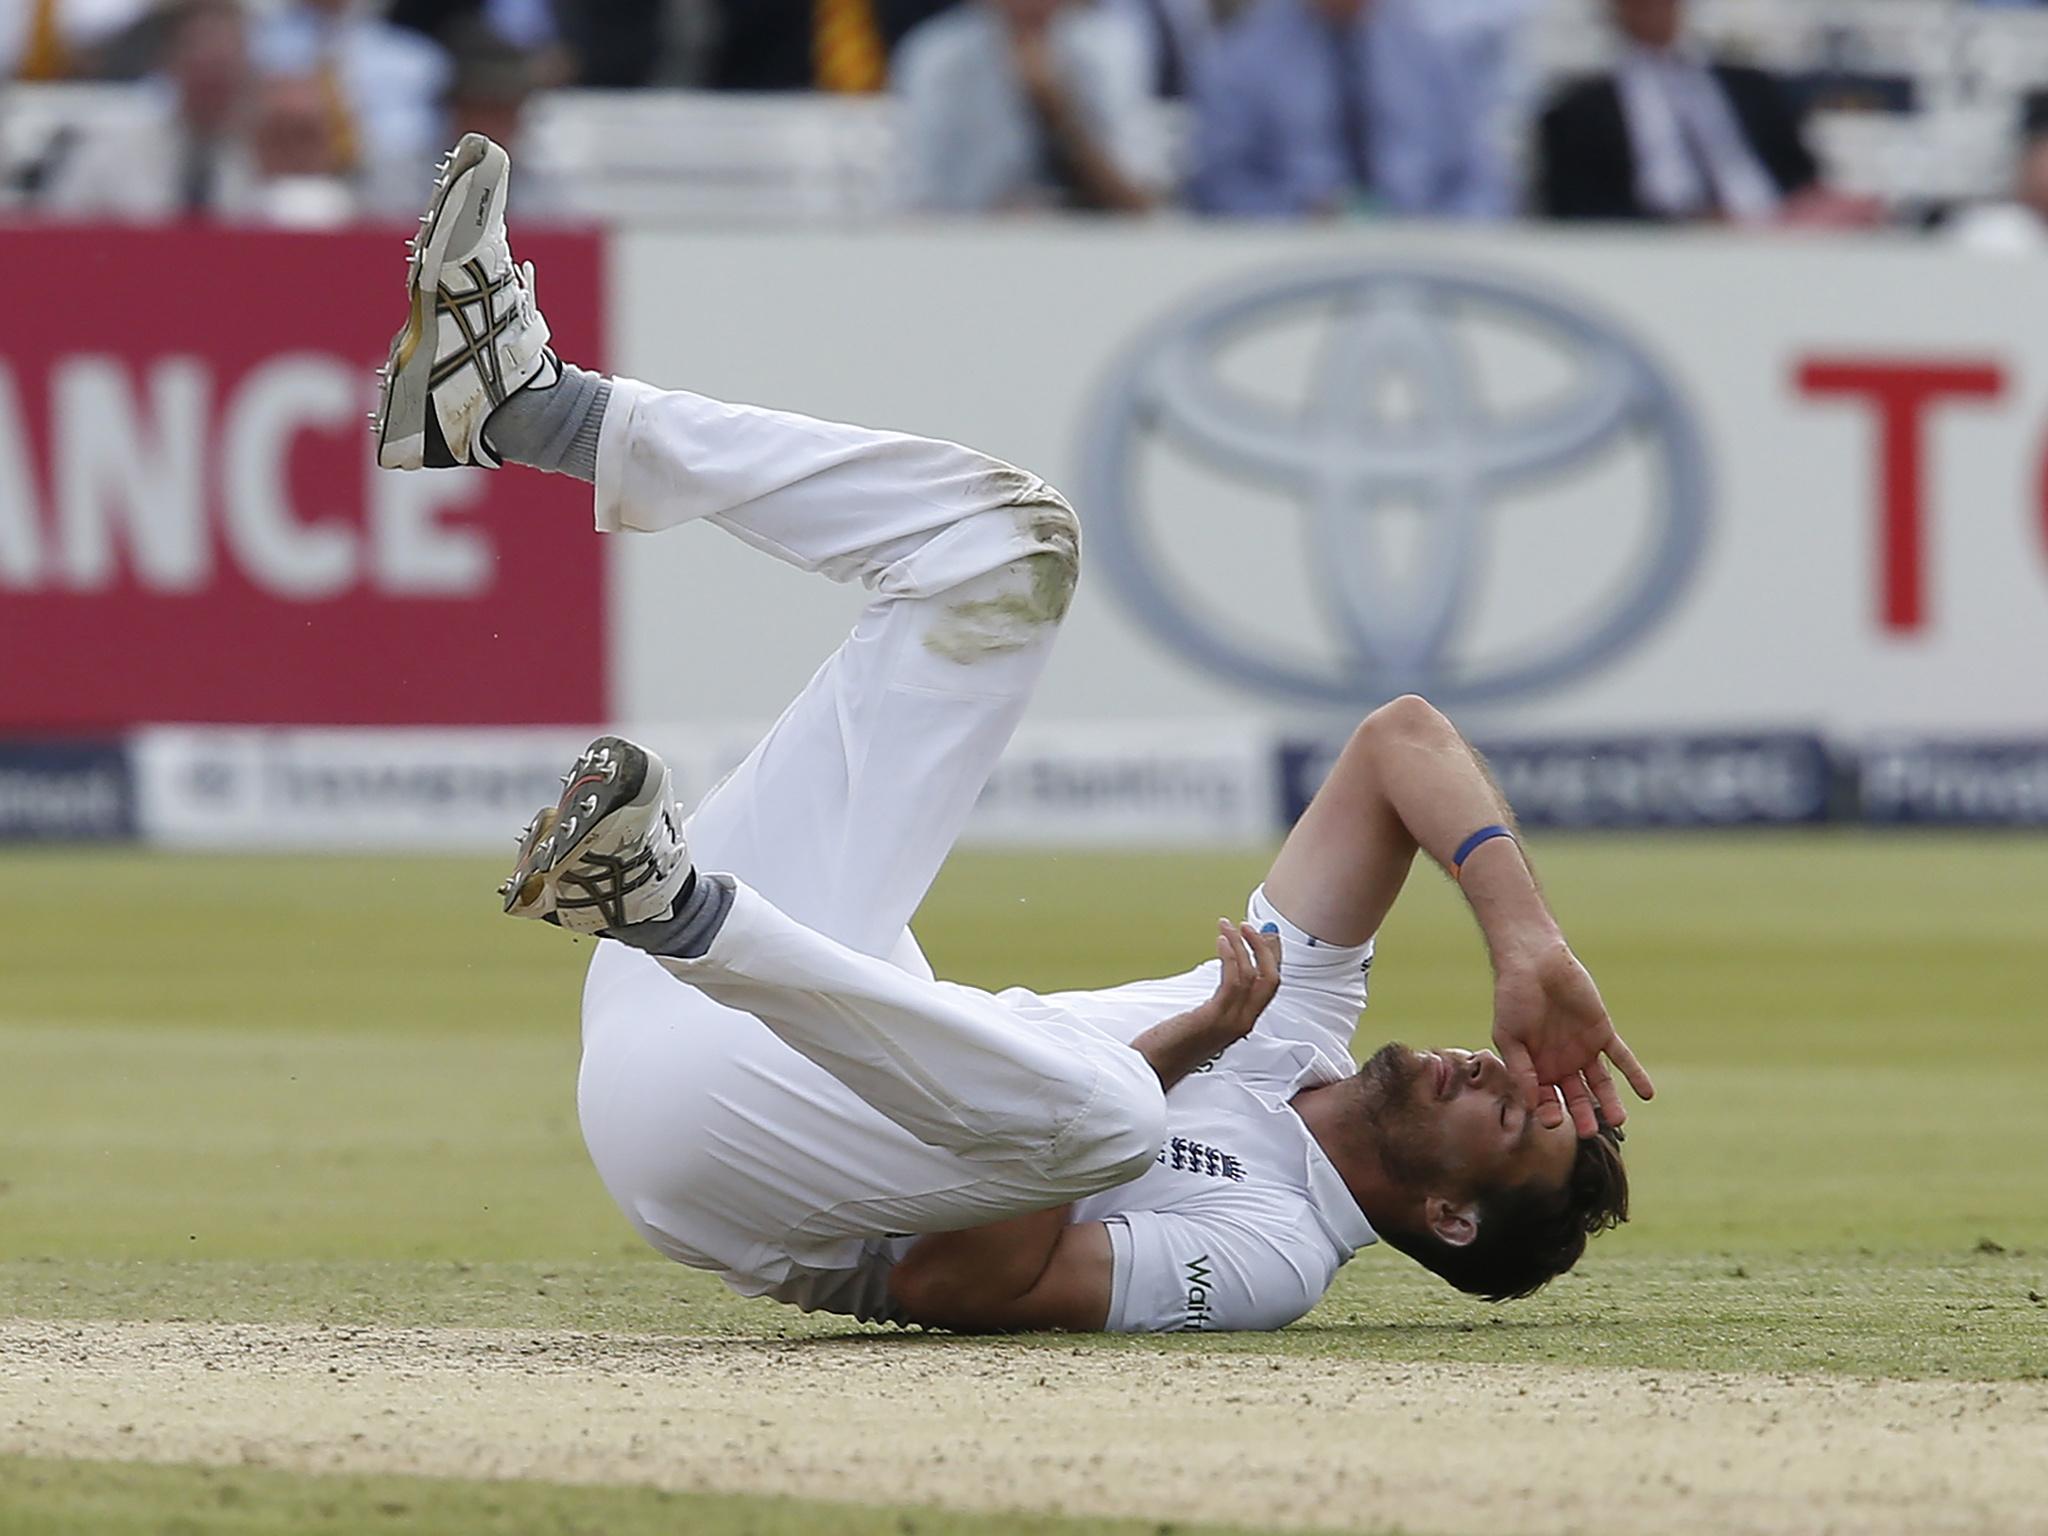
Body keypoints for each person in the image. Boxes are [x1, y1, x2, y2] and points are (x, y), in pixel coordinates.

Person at [371, 135, 1651, 1332]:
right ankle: (533, 409)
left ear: (1447, 1217)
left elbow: (964, 1284)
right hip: (708, 985)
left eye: (1518, 1121)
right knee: (1005, 549)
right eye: (1526, 1078)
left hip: (727, 1147)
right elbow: (1398, 742)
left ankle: (681, 908)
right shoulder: (1303, 1016)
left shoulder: (1272, 1251)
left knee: (1106, 1119)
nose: (1497, 1074)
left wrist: (1175, 1053)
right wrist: (1524, 938)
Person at [1188, 0, 1511, 219]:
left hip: (1425, 255)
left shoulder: (1431, 53)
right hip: (1288, 258)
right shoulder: (1241, 58)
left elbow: (1480, 178)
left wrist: (1442, 232)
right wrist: (1292, 218)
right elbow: (1218, 185)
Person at [1536, 0, 1827, 223]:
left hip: (1773, 232)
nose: (1654, 10)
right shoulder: (1578, 112)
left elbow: (1801, 174)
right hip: (1655, 246)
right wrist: (1688, 223)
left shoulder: (1751, 86)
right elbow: (1577, 208)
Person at [896, 0, 1162, 213]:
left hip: (1094, 249)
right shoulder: (938, 57)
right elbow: (920, 202)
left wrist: (1056, 109)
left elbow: (1139, 205)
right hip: (971, 250)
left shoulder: (1109, 49)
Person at [45, 0, 259, 222]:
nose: (213, 76)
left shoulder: (269, 153)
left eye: (225, 63)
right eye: (202, 61)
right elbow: (61, 234)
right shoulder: (109, 150)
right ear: (169, 60)